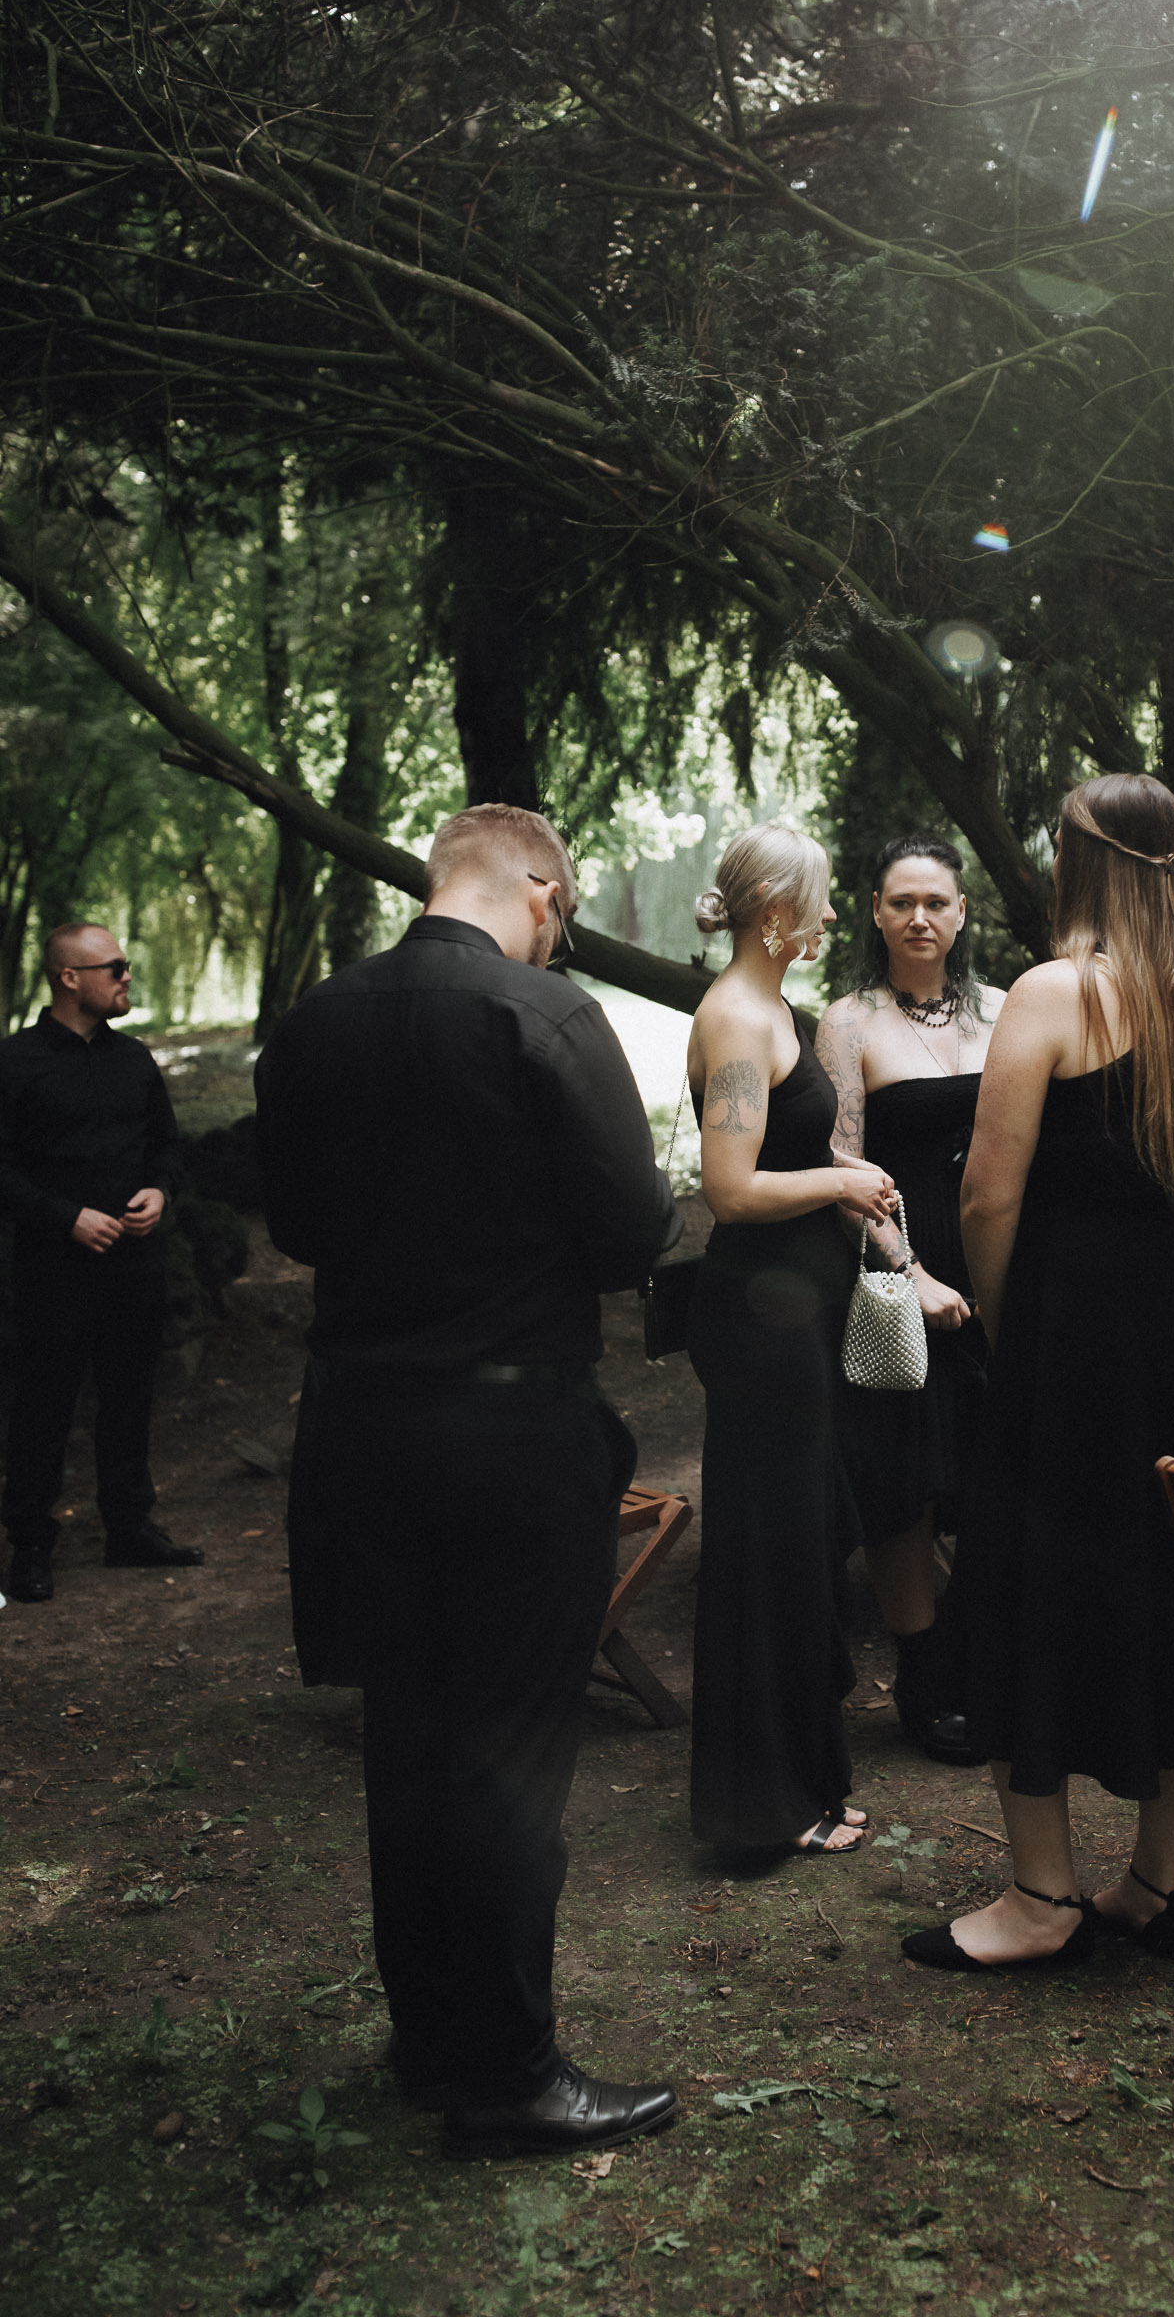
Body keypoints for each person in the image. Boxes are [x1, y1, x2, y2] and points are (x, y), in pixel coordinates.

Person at [255, 804, 681, 2161]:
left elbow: (296, 1222)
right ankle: (503, 2074)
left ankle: (431, 2033)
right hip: (508, 1435)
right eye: (567, 912)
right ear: (542, 892)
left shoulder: (317, 1020)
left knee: (411, 1740)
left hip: (361, 1431)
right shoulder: (546, 1017)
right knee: (508, 1754)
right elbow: (627, 1235)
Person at [908, 774, 1174, 1973]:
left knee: (1030, 1575)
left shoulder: (1057, 991)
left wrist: (1004, 1324)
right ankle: (1155, 1880)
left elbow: (988, 1193)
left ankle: (1042, 1895)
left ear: (1077, 863)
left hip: (1082, 1341)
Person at [686, 826, 897, 1856]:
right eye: (818, 899)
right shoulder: (736, 1016)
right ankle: (762, 1808)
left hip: (801, 1313)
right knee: (768, 1553)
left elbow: (785, 1148)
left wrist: (851, 1187)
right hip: (761, 1326)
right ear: (774, 908)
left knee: (803, 1544)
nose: (830, 915)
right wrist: (839, 1182)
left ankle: (806, 1779)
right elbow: (729, 1188)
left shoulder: (772, 1007)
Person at [816, 835, 1003, 1765]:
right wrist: (912, 1270)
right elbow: (838, 1165)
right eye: (901, 903)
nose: (919, 917)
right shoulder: (847, 1023)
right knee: (906, 1482)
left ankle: (987, 1659)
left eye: (935, 902)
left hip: (1000, 1262)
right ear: (876, 914)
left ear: (962, 912)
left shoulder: (1007, 1010)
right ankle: (924, 1679)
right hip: (897, 1273)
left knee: (997, 1470)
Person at [0, 923, 198, 1605]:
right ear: (69, 978)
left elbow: (166, 1146)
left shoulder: (135, 1060)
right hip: (52, 1267)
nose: (126, 976)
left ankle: (129, 1528)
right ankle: (29, 1543)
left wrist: (159, 1191)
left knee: (130, 1396)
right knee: (43, 1403)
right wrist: (66, 1217)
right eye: (114, 966)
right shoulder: (14, 1063)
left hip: (135, 1264)